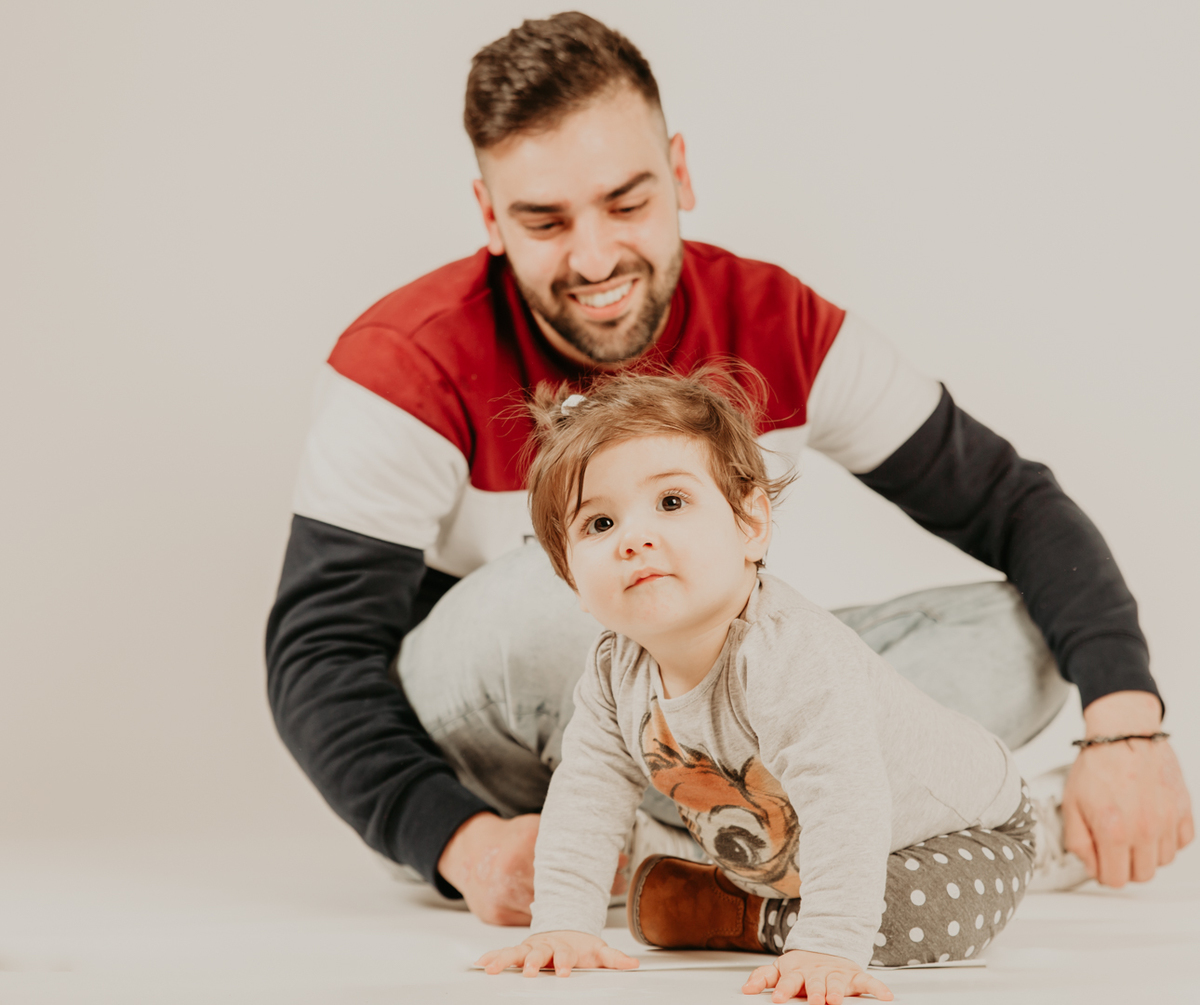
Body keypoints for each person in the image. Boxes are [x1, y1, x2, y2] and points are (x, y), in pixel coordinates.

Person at [264, 12, 1192, 925]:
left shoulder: (778, 323)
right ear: (489, 216)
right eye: (544, 220)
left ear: (680, 172)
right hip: (506, 727)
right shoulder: (403, 364)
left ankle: (709, 873)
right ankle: (905, 838)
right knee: (565, 598)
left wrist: (1126, 724)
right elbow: (319, 653)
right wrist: (459, 841)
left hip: (711, 716)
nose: (595, 258)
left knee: (1018, 636)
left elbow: (1008, 500)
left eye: (627, 203)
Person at [479, 370, 1038, 1005]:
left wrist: (827, 944)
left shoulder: (789, 653)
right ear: (573, 584)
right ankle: (745, 897)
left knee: (904, 918)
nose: (634, 538)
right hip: (804, 847)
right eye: (599, 524)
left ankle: (734, 912)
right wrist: (563, 926)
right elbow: (586, 793)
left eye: (670, 503)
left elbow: (843, 802)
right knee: (816, 877)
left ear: (750, 525)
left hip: (966, 831)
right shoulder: (614, 667)